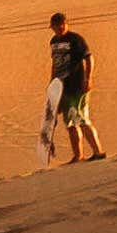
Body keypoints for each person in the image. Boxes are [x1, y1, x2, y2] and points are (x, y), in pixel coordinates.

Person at [42, 13, 103, 165]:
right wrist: (52, 84)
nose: (58, 28)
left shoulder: (75, 39)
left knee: (81, 119)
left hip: (77, 85)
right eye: (55, 26)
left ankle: (98, 152)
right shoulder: (54, 41)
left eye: (60, 25)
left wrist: (88, 78)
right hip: (62, 88)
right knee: (70, 123)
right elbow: (55, 64)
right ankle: (78, 155)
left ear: (65, 23)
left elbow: (89, 58)